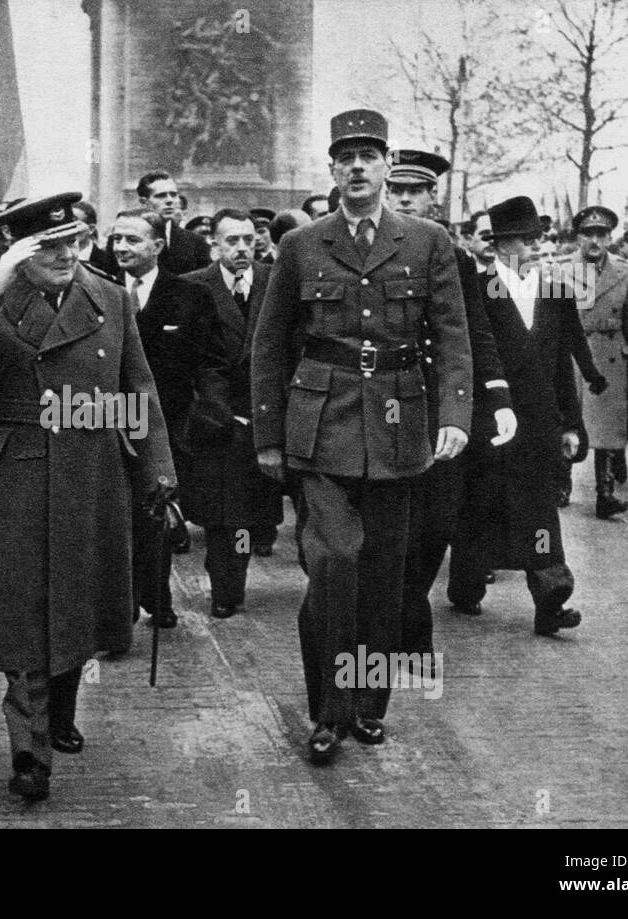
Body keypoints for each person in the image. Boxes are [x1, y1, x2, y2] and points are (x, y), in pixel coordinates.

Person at [0, 192, 175, 802]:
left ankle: (60, 710)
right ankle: (29, 751)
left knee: (77, 600)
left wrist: (158, 470)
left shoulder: (109, 296)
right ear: (15, 248)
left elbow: (139, 387)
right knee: (24, 611)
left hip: (89, 466)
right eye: (46, 247)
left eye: (73, 243)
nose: (63, 256)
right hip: (11, 471)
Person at [251, 110, 473, 766]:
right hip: (320, 428)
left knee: (385, 576)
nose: (356, 167)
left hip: (401, 429)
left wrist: (455, 414)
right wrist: (268, 435)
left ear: (384, 164)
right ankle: (328, 710)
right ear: (332, 168)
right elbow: (268, 344)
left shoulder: (427, 241)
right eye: (345, 155)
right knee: (333, 563)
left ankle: (369, 703)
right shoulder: (302, 245)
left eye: (368, 155)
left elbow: (454, 334)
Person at [384, 149, 514, 666]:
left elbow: (473, 333)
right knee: (387, 525)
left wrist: (498, 397)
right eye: (398, 190)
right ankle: (399, 632)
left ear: (433, 196)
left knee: (435, 523)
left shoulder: (452, 257)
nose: (406, 199)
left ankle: (407, 622)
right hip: (379, 405)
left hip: (439, 408)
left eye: (416, 191)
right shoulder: (365, 250)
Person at [448, 197, 587, 637]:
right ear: (504, 244)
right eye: (528, 240)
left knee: (540, 509)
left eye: (538, 238)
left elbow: (563, 362)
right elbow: (470, 356)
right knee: (480, 505)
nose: (537, 246)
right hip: (491, 419)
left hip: (541, 422)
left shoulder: (554, 292)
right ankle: (466, 584)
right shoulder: (479, 289)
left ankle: (551, 599)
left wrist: (570, 423)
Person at [109, 207, 223, 629]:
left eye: (132, 240)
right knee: (113, 515)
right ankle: (117, 604)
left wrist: (209, 414)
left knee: (155, 512)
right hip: (108, 421)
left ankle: (157, 595)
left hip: (166, 423)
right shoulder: (100, 293)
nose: (121, 247)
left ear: (158, 246)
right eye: (116, 239)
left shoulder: (190, 296)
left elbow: (210, 362)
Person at [181, 208, 284, 615]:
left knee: (256, 510)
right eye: (231, 241)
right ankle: (227, 588)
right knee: (227, 515)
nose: (242, 249)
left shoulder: (276, 282)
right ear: (214, 244)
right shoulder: (192, 288)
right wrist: (210, 412)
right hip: (217, 420)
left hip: (267, 414)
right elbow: (185, 361)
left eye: (248, 240)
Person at [567, 205, 628, 518]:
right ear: (579, 237)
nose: (595, 240)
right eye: (589, 234)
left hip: (612, 354)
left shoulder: (624, 269)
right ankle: (563, 483)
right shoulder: (561, 270)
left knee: (610, 429)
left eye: (602, 234)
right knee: (570, 419)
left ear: (610, 237)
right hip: (575, 353)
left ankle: (606, 492)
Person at [107, 171, 210, 274]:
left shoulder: (196, 242)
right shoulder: (119, 242)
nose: (170, 200)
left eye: (173, 195)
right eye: (161, 196)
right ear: (144, 202)